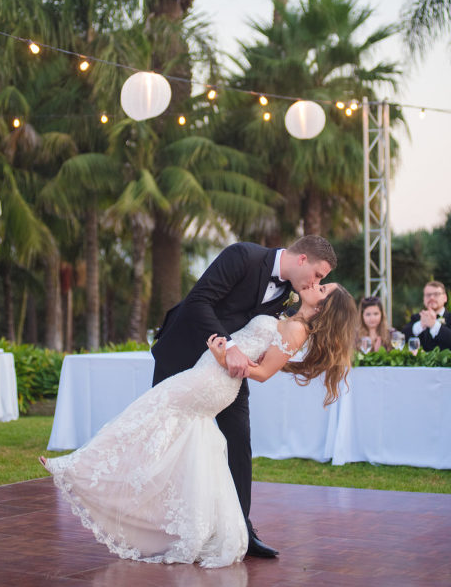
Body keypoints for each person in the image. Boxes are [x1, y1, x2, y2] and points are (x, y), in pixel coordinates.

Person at [39, 282, 357, 568]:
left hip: (214, 380)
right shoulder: (287, 315)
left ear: (325, 306)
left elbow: (261, 373)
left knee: (148, 411)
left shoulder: (297, 329)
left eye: (324, 288)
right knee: (179, 433)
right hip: (209, 374)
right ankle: (199, 528)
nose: (317, 285)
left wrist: (222, 357)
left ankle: (77, 467)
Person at [151, 236, 337, 558]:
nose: (317, 282)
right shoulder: (243, 256)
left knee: (239, 440)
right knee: (164, 436)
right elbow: (198, 301)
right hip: (183, 355)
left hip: (230, 373)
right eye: (319, 275)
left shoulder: (289, 292)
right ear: (303, 259)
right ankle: (161, 521)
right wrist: (231, 346)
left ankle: (241, 530)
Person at [402, 281, 451, 351]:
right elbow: (402, 337)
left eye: (436, 294)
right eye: (428, 295)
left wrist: (434, 325)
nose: (431, 297)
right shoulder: (416, 318)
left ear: (445, 298)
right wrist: (420, 325)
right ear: (423, 299)